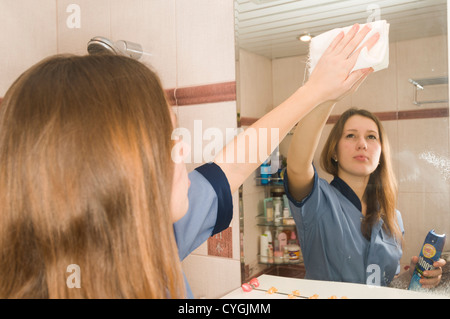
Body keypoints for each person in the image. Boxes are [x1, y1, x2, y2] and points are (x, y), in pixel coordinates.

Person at [0, 24, 377, 298]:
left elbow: (230, 166)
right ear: (112, 170)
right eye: (168, 139)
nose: (184, 150)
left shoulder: (152, 234)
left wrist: (315, 91)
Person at [285, 105, 446, 287]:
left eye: (371, 137)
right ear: (334, 151)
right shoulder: (317, 200)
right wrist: (326, 96)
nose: (362, 144)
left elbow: (386, 285)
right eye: (351, 135)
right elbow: (297, 167)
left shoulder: (393, 218)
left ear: (380, 154)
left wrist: (416, 276)